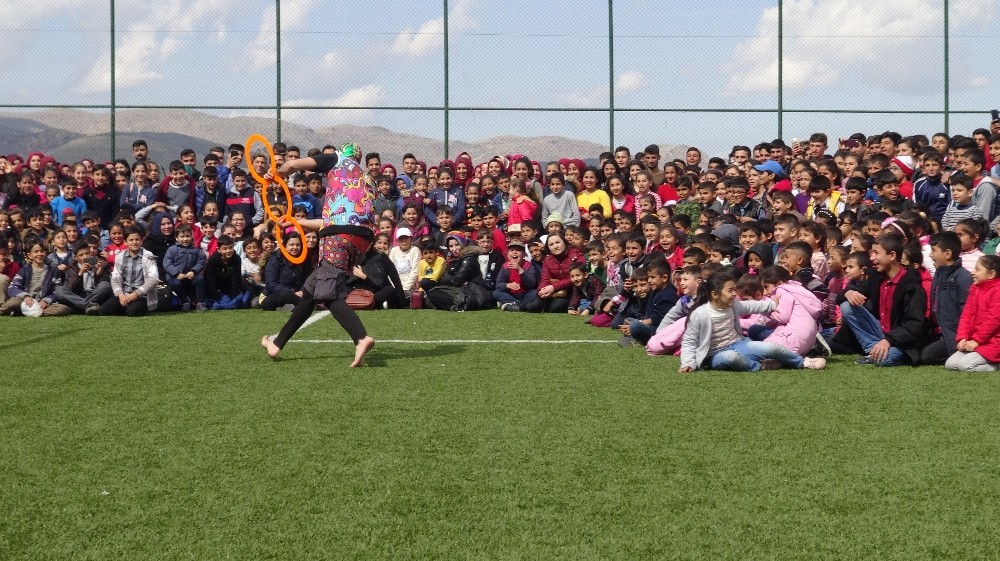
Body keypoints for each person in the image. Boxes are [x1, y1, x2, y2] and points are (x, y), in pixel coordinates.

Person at [261, 143, 377, 367]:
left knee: (326, 292)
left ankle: (361, 337)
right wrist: (296, 222)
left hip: (337, 235)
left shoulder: (336, 160)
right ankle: (277, 343)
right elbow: (331, 220)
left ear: (342, 153)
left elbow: (293, 165)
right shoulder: (365, 179)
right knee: (311, 292)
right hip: (361, 239)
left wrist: (274, 173)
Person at [678, 266, 826, 372]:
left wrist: (772, 305)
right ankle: (759, 366)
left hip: (738, 344)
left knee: (770, 347)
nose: (735, 294)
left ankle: (802, 362)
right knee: (731, 358)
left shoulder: (732, 305)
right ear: (715, 294)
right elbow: (689, 341)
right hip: (715, 355)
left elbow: (751, 306)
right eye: (730, 291)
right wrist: (688, 363)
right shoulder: (700, 314)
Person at [837, 233, 927, 366]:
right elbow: (841, 297)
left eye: (876, 253)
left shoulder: (911, 285)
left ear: (892, 255)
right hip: (879, 334)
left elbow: (914, 324)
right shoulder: (876, 276)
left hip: (901, 341)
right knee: (847, 305)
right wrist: (848, 292)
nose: (872, 258)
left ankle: (878, 352)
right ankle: (873, 349)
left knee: (885, 359)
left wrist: (889, 340)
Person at [921, 232, 973, 364]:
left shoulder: (963, 278)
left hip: (955, 335)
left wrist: (962, 338)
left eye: (934, 250)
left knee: (927, 356)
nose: (930, 255)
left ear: (948, 254)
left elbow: (967, 312)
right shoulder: (939, 275)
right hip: (941, 333)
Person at [946, 255, 1000, 371]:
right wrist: (962, 338)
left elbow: (993, 321)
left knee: (964, 366)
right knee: (950, 364)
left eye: (978, 269)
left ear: (991, 274)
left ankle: (996, 365)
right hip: (975, 342)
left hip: (993, 342)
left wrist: (976, 341)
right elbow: (966, 315)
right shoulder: (975, 289)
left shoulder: (997, 291)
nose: (973, 272)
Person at [0, 238, 71, 316]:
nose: (39, 254)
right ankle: (25, 311)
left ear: (45, 253)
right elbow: (12, 287)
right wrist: (25, 296)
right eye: (36, 252)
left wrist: (46, 301)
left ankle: (29, 312)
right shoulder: (24, 270)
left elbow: (57, 291)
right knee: (12, 303)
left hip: (42, 303)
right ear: (29, 255)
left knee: (62, 309)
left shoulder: (53, 271)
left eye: (42, 251)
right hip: (25, 301)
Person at [100, 227, 159, 316]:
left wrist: (136, 294)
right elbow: (115, 277)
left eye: (137, 239)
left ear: (141, 241)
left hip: (141, 296)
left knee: (132, 312)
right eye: (131, 240)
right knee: (104, 310)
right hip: (124, 295)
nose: (134, 242)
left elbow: (153, 279)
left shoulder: (148, 256)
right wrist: (120, 295)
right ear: (126, 242)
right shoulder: (120, 256)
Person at [522, 233, 585, 313]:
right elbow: (545, 279)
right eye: (551, 244)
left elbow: (576, 277)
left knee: (554, 307)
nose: (555, 246)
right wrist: (542, 291)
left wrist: (554, 287)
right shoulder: (548, 259)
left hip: (574, 291)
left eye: (557, 242)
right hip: (555, 291)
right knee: (530, 306)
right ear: (548, 247)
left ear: (564, 242)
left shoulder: (576, 255)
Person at [55, 240, 113, 315]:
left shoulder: (101, 263)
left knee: (105, 284)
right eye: (81, 255)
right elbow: (70, 289)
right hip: (78, 296)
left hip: (96, 295)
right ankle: (88, 306)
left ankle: (82, 306)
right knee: (59, 290)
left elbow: (106, 286)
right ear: (76, 257)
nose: (85, 257)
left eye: (87, 253)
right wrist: (80, 274)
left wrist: (98, 273)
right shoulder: (72, 267)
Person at [261, 232, 308, 311]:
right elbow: (271, 284)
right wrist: (292, 292)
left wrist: (302, 291)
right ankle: (305, 305)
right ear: (284, 246)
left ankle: (285, 307)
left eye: (298, 245)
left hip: (296, 294)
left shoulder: (304, 260)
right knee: (285, 295)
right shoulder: (275, 259)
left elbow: (307, 281)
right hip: (273, 295)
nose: (295, 247)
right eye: (291, 245)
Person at [163, 224, 206, 311]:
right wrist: (176, 273)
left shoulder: (196, 250)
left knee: (200, 279)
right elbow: (167, 263)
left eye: (187, 236)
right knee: (175, 283)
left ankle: (199, 302)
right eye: (182, 236)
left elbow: (201, 261)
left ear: (191, 236)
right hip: (175, 277)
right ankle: (185, 302)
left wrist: (193, 271)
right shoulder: (172, 249)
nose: (185, 239)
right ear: (177, 238)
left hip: (190, 276)